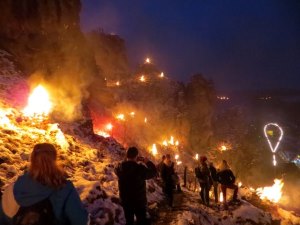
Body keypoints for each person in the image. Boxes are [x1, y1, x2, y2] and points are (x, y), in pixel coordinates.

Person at [0, 143, 89, 225]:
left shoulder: (13, 189)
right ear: (54, 159)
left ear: (32, 159)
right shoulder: (65, 188)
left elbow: (3, 219)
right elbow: (80, 220)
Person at [115, 147, 157, 225]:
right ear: (136, 156)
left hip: (126, 202)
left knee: (129, 222)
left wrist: (127, 160)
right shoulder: (140, 169)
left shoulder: (120, 168)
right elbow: (154, 172)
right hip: (139, 202)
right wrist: (147, 162)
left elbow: (118, 167)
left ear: (127, 156)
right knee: (141, 221)